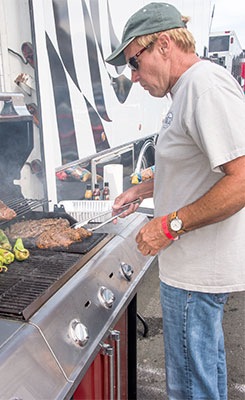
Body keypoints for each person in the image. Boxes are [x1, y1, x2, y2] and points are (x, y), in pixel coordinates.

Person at [105, 2, 245, 399]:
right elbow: (197, 167)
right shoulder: (186, 90)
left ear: (163, 44)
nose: (133, 77)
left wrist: (169, 225)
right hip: (190, 272)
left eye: (134, 62)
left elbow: (241, 179)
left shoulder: (205, 87)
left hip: (195, 274)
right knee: (205, 378)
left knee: (189, 389)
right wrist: (142, 189)